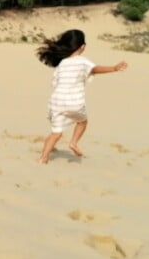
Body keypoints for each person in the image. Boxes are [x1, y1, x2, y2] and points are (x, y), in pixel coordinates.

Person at [36, 29, 127, 164]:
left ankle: (43, 158)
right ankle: (73, 143)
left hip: (57, 101)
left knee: (56, 133)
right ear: (83, 46)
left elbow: (55, 83)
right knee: (82, 122)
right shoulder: (83, 61)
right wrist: (113, 68)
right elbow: (95, 69)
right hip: (75, 102)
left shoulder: (62, 63)